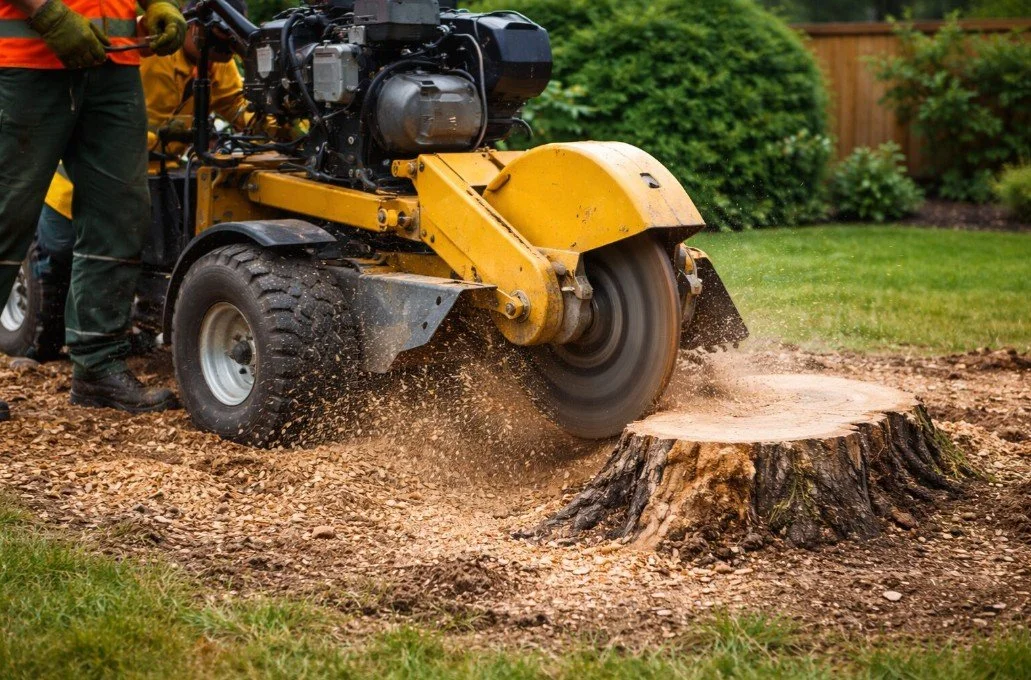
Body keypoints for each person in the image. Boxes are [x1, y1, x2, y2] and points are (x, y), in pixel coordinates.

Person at [29, 0, 255, 364]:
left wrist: (292, 128)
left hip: (157, 175)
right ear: (192, 25)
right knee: (60, 248)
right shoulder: (150, 50)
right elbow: (102, 114)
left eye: (228, 46)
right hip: (85, 169)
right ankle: (42, 342)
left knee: (130, 254)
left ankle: (115, 336)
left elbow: (238, 107)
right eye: (215, 41)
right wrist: (160, 136)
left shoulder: (218, 63)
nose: (221, 53)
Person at [0, 0, 187, 421]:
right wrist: (46, 13)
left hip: (114, 65)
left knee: (119, 211)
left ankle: (98, 364)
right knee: (6, 212)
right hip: (26, 61)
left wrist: (160, 5)